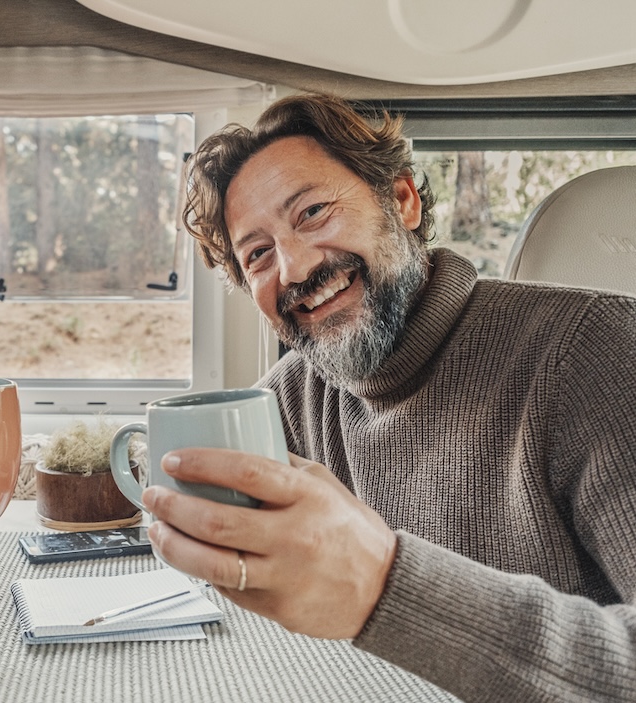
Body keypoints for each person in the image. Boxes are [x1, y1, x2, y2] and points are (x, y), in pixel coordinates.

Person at [143, 92, 636, 702]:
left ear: (400, 201)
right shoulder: (288, 402)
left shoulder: (598, 351)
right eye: (259, 255)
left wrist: (384, 586)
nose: (293, 270)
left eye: (314, 213)